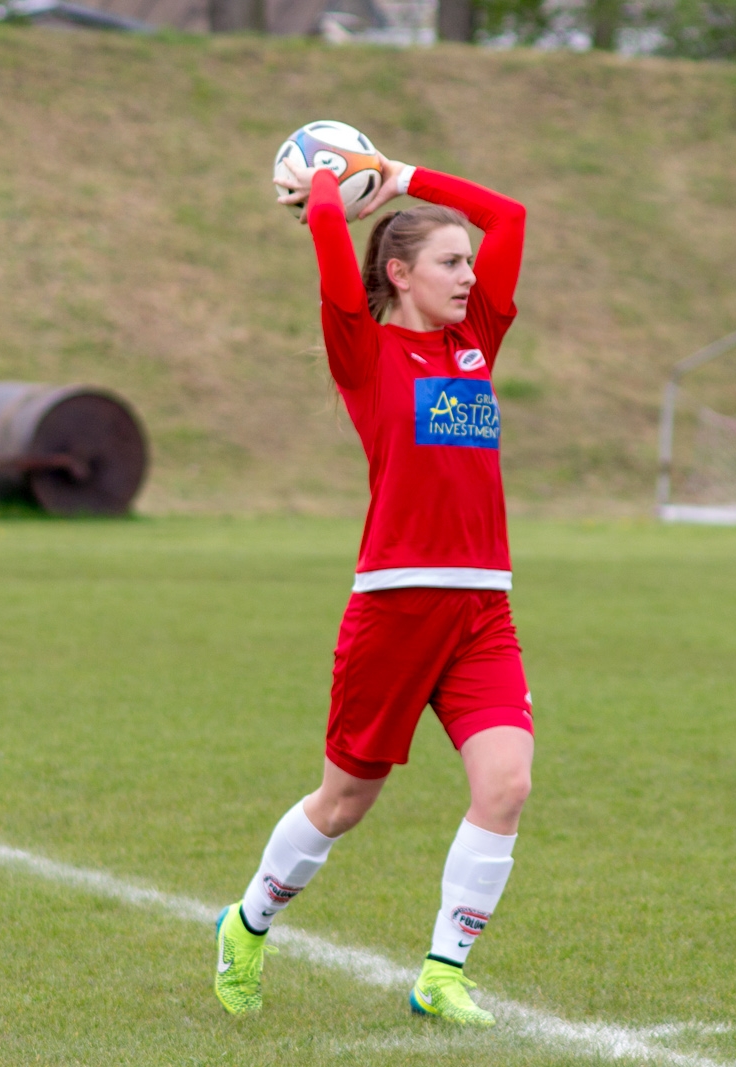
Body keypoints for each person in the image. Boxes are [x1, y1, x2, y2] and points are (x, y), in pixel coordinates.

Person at [213, 147, 531, 1028]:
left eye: (468, 263)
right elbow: (322, 222)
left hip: (481, 605)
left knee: (505, 784)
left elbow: (510, 216)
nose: (470, 275)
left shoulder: (478, 343)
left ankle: (442, 971)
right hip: (394, 603)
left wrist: (401, 171)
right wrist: (326, 173)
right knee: (346, 800)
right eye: (449, 262)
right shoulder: (363, 348)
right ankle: (246, 924)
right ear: (399, 273)